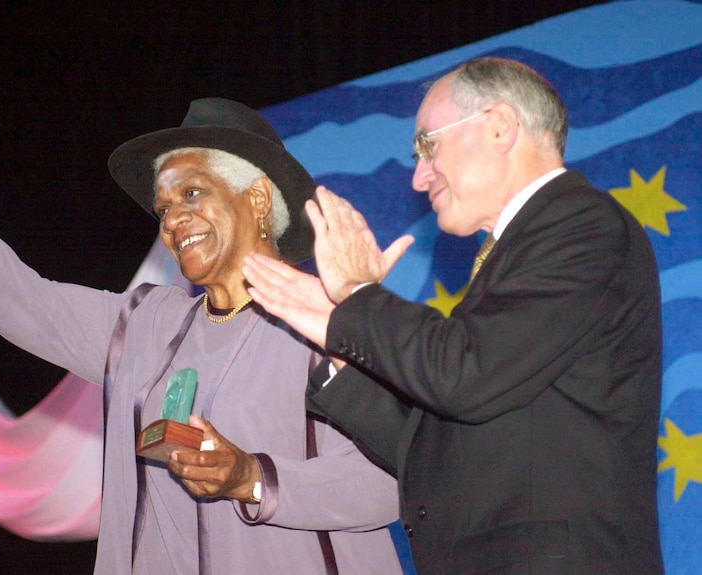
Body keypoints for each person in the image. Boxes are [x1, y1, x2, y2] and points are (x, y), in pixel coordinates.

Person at [0, 65, 403, 574]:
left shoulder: (330, 324)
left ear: (257, 197)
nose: (173, 220)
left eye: (191, 193)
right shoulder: (145, 325)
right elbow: (11, 298)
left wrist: (251, 477)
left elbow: (388, 482)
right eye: (163, 208)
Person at [243, 57, 665, 574]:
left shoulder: (581, 224)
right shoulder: (518, 253)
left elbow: (466, 373)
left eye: (426, 145)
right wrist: (338, 339)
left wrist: (358, 296)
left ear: (500, 127)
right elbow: (438, 445)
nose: (419, 178)